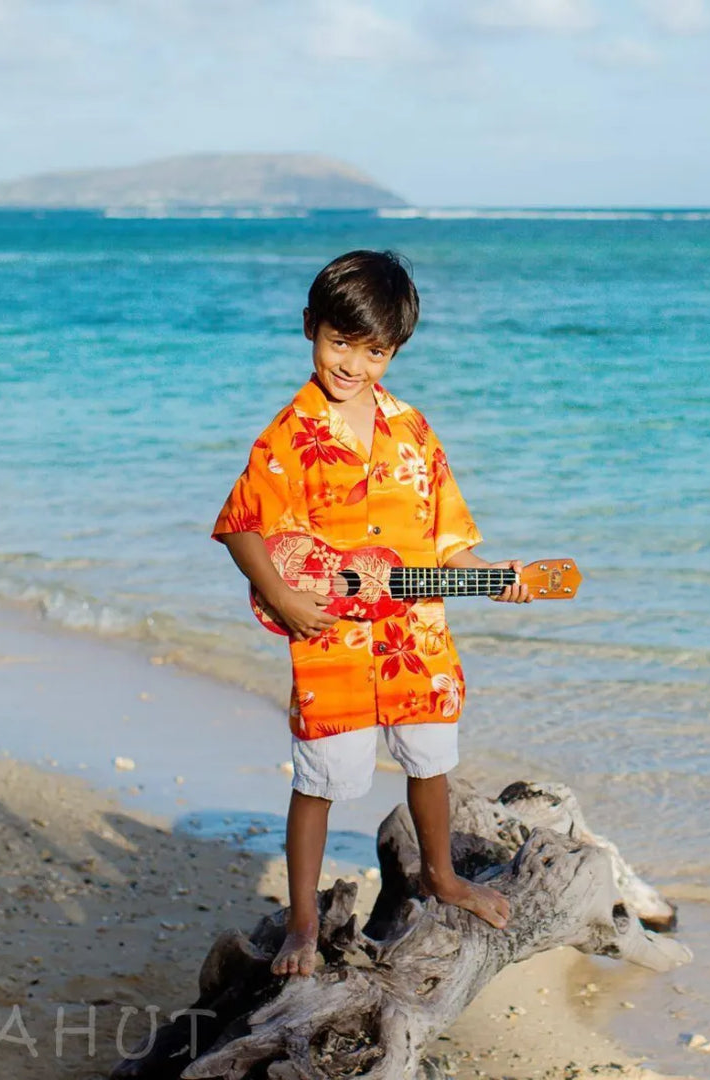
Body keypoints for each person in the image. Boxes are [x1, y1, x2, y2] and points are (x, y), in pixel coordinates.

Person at [212, 250, 531, 977]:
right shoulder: (289, 434)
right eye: (340, 342)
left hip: (413, 633)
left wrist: (494, 578)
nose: (353, 363)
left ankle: (442, 875)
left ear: (396, 351)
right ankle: (300, 921)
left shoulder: (414, 431)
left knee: (430, 757)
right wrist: (285, 595)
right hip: (328, 635)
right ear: (310, 328)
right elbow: (239, 524)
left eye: (375, 350)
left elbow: (450, 542)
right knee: (322, 775)